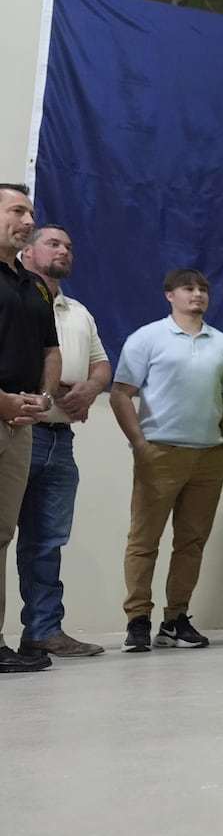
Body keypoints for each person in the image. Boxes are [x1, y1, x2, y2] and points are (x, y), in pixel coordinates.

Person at [109, 268, 223, 653]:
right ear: (170, 295)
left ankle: (175, 619)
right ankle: (137, 619)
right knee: (144, 539)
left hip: (208, 454)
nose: (197, 294)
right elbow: (120, 394)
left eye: (202, 289)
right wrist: (139, 444)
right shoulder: (147, 338)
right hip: (160, 451)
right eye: (188, 288)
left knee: (192, 541)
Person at [13, 224, 110, 658]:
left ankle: (43, 631)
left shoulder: (78, 311)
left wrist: (89, 389)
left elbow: (101, 365)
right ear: (27, 251)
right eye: (53, 243)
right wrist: (50, 389)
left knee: (47, 541)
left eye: (69, 245)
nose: (64, 251)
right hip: (16, 430)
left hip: (60, 439)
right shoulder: (14, 297)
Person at [0, 184, 59, 675]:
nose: (27, 220)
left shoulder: (35, 284)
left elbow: (49, 350)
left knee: (2, 533)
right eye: (16, 210)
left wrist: (42, 398)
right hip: (2, 409)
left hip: (20, 424)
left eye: (30, 212)